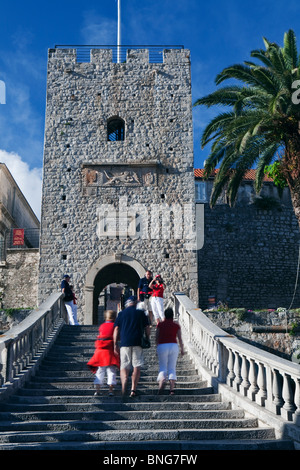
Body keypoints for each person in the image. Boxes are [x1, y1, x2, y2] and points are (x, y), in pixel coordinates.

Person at [113, 296, 150, 397]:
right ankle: (133, 389)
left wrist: (115, 343)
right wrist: (147, 338)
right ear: (135, 303)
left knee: (124, 366)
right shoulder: (141, 313)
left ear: (127, 304)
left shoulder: (121, 314)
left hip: (124, 343)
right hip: (137, 342)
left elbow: (116, 329)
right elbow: (147, 327)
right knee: (136, 366)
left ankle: (124, 383)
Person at [87, 310, 120, 396]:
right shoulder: (114, 326)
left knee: (100, 370)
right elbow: (117, 337)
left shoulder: (102, 326)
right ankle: (110, 390)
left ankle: (97, 390)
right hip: (109, 350)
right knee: (111, 370)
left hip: (100, 350)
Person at [156, 307, 184, 395]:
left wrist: (157, 347)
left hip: (162, 345)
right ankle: (172, 389)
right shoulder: (176, 325)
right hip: (173, 345)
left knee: (163, 367)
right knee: (172, 367)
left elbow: (156, 337)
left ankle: (161, 382)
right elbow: (180, 338)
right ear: (172, 315)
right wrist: (182, 349)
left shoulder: (160, 325)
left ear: (165, 315)